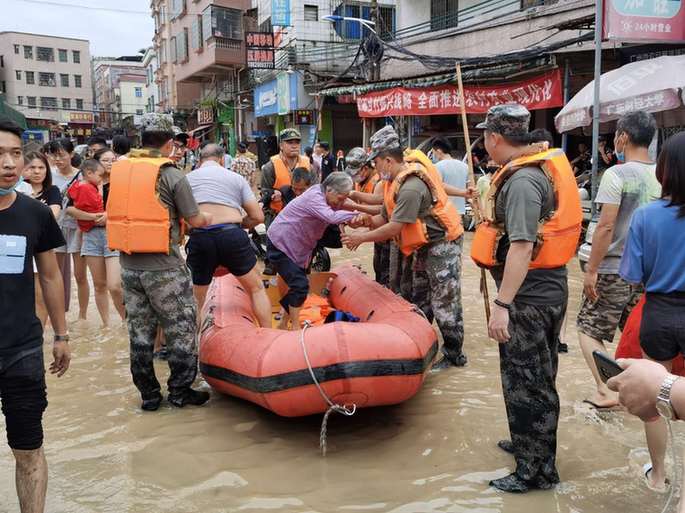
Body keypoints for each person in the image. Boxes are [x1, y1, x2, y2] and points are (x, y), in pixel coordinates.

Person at [470, 104, 581, 493]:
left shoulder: (521, 182)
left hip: (528, 300)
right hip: (543, 291)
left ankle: (535, 472)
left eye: (485, 135)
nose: (484, 142)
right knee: (533, 377)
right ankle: (527, 445)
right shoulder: (528, 174)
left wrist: (501, 306)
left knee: (529, 382)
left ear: (495, 139)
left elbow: (521, 246)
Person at [107, 113, 213, 411]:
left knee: (140, 333)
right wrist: (209, 217)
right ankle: (180, 391)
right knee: (181, 328)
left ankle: (149, 396)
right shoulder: (171, 174)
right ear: (168, 144)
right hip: (164, 268)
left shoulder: (120, 169)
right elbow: (194, 219)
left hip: (128, 268)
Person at [341, 126, 466, 370]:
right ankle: (420, 343)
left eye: (375, 163)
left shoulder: (411, 184)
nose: (374, 169)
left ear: (388, 160)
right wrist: (361, 223)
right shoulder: (392, 181)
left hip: (443, 245)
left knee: (445, 300)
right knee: (419, 297)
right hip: (423, 245)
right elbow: (382, 218)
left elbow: (395, 227)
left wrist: (360, 239)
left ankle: (454, 354)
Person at [0, 119, 70, 513]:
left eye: (15, 153)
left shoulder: (35, 214)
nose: (10, 164)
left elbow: (49, 277)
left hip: (22, 350)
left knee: (28, 451)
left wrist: (61, 335)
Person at [615, 131, 685, 492]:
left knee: (655, 395)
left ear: (664, 171)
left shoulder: (646, 216)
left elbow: (631, 275)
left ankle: (658, 476)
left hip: (657, 311)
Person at [577, 111, 661, 410]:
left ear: (623, 136)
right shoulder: (664, 174)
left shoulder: (618, 174)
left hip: (613, 268)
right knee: (634, 333)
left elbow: (606, 226)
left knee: (588, 330)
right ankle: (646, 392)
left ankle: (607, 390)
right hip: (649, 272)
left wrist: (592, 271)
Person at [185, 144, 270, 328]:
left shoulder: (186, 179)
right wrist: (239, 225)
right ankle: (268, 335)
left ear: (199, 161)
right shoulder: (235, 178)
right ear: (222, 160)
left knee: (197, 299)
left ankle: (194, 348)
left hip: (200, 237)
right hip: (231, 234)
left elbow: (181, 221)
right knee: (256, 288)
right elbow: (257, 217)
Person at [266, 172, 357, 330]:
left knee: (300, 286)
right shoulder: (315, 197)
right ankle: (295, 327)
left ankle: (282, 324)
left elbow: (340, 212)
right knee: (300, 285)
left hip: (298, 248)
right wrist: (358, 215)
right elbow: (332, 217)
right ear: (329, 191)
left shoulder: (325, 196)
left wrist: (362, 211)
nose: (341, 203)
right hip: (280, 244)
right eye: (340, 199)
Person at [67, 158, 125, 327]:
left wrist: (108, 215)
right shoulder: (83, 185)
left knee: (115, 285)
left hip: (112, 234)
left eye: (112, 159)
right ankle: (106, 325)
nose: (109, 163)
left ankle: (125, 320)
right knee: (99, 285)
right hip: (90, 235)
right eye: (105, 160)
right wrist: (93, 217)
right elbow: (70, 209)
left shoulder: (119, 183)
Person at [46, 138, 90, 320]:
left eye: (62, 155)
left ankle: (82, 316)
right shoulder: (49, 175)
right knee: (53, 275)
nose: (58, 160)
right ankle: (56, 315)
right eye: (54, 156)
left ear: (71, 155)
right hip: (56, 228)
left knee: (80, 275)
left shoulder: (82, 176)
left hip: (78, 229)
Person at [23, 151, 62, 326]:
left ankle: (40, 336)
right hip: (15, 247)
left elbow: (52, 215)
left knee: (40, 295)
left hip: (41, 248)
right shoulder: (14, 191)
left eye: (41, 167)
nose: (37, 171)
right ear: (23, 169)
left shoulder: (52, 191)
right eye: (32, 167)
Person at [344, 147, 391, 287]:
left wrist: (362, 233)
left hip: (386, 234)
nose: (354, 177)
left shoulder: (379, 183)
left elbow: (382, 213)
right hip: (375, 234)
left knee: (386, 276)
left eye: (356, 172)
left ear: (365, 168)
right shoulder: (360, 183)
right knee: (379, 270)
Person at [260, 129, 311, 227]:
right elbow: (265, 191)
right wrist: (273, 195)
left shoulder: (308, 164)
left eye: (297, 142)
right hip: (277, 217)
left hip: (304, 216)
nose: (294, 145)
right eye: (290, 142)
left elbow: (315, 188)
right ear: (281, 145)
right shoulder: (270, 167)